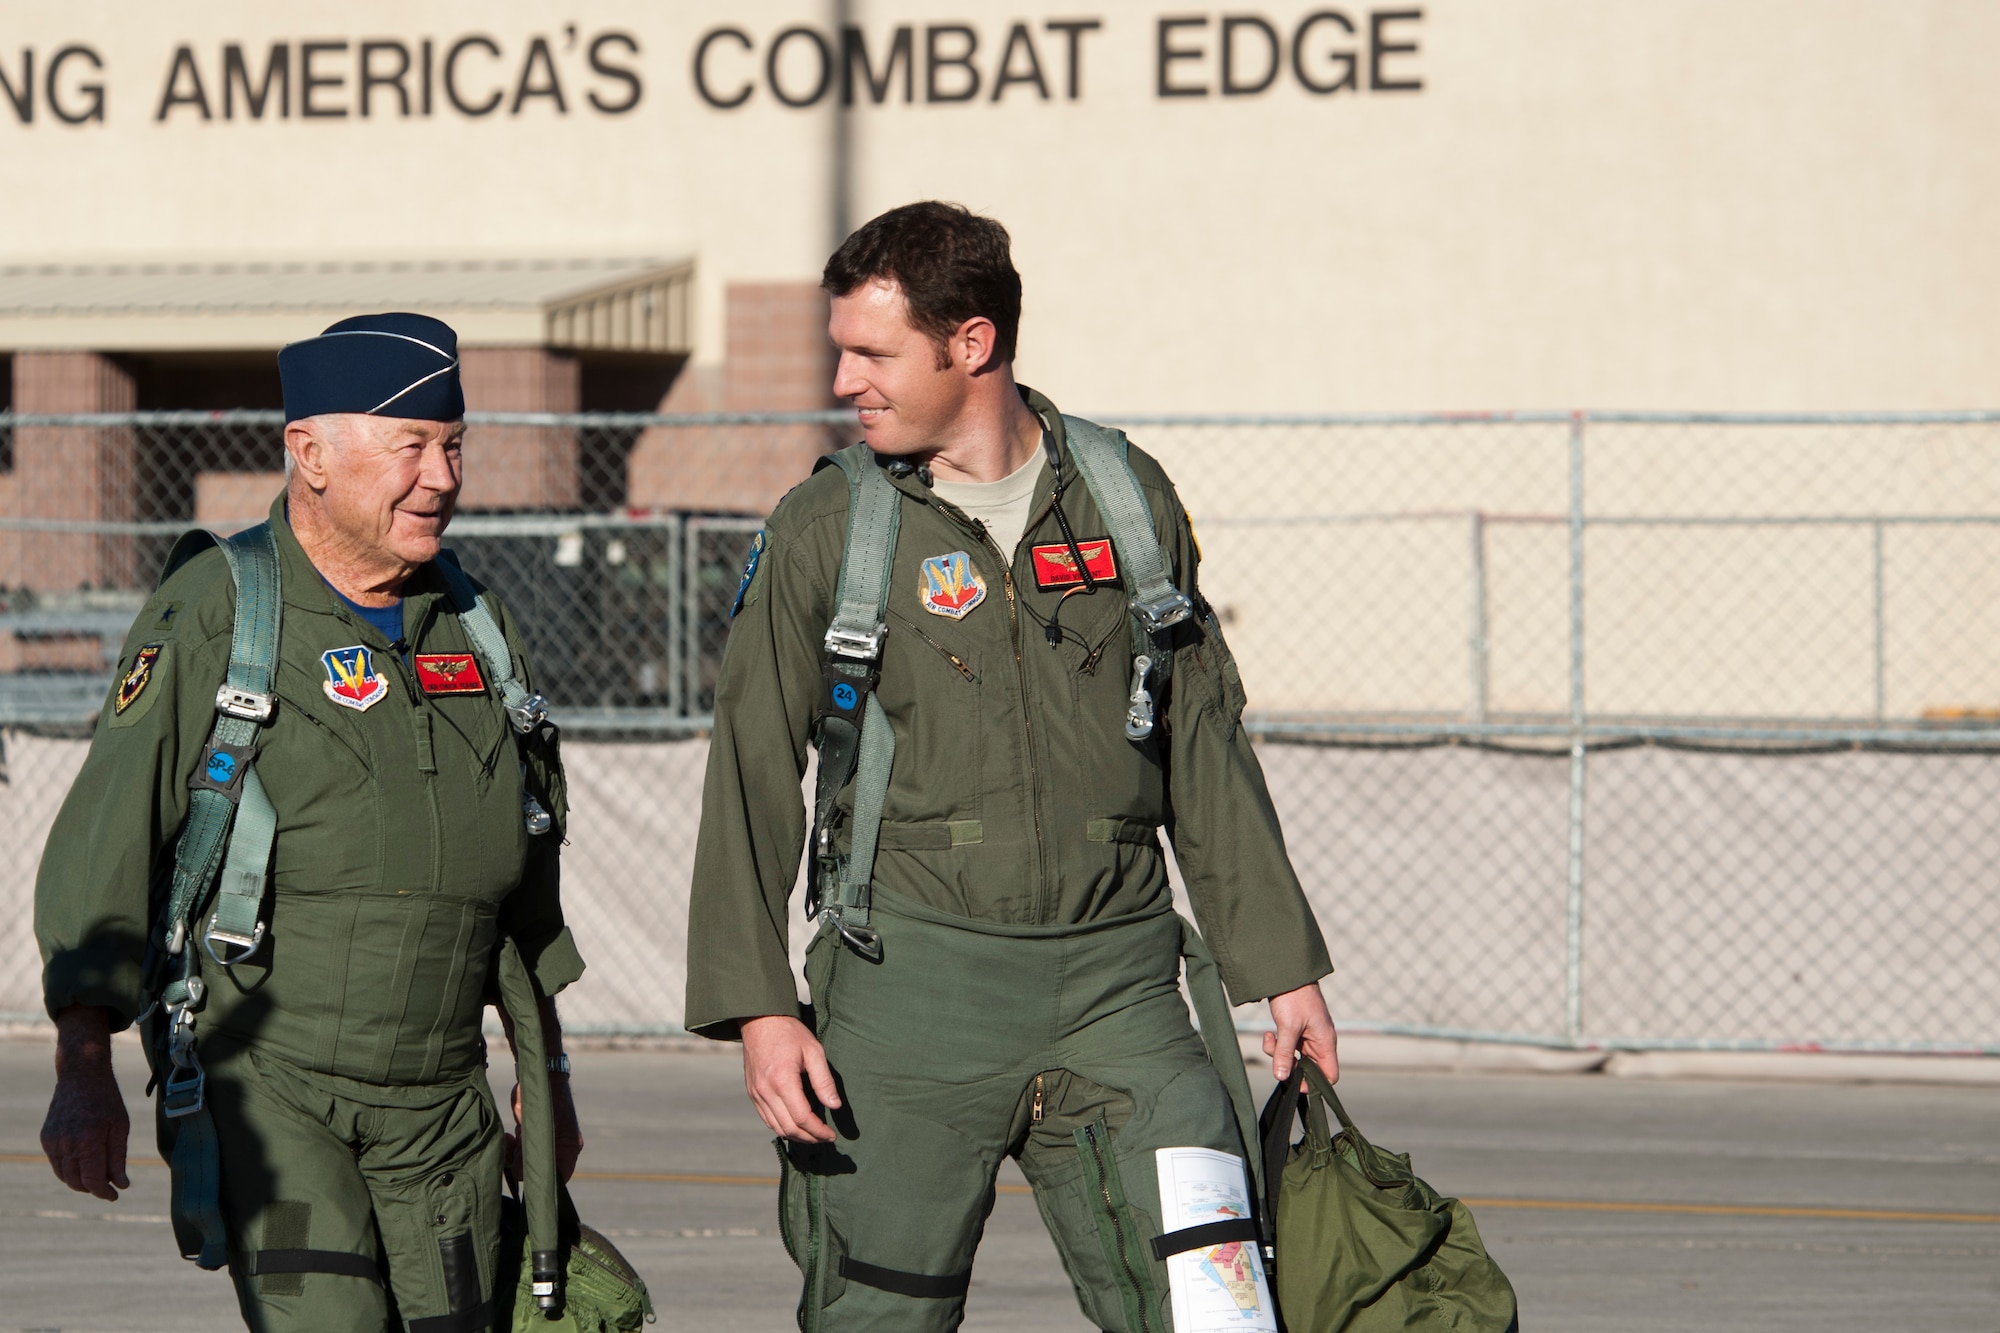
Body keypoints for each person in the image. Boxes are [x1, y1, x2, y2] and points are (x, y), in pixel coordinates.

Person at [684, 201, 1338, 1332]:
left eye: (873, 352)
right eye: (843, 349)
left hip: (1121, 989)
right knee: (875, 1316)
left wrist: (1278, 965)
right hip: (907, 991)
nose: (846, 378)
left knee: (1217, 1308)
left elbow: (1202, 737)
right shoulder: (824, 529)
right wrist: (756, 1007)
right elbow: (747, 770)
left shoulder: (1127, 500)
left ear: (970, 344)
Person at [35, 312, 585, 1333]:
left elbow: (525, 872)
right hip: (273, 1081)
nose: (443, 477)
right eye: (410, 446)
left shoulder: (475, 622)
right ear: (310, 454)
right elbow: (106, 841)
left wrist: (546, 1077)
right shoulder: (219, 611)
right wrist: (83, 1067)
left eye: (454, 444)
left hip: (442, 1097)